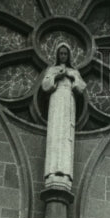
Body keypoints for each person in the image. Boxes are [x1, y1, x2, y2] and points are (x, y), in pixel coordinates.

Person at [40, 42, 87, 188]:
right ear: (57, 55)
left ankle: (65, 172)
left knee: (66, 135)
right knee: (55, 133)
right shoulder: (52, 69)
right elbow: (45, 85)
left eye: (65, 54)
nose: (63, 56)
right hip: (56, 101)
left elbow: (81, 87)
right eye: (61, 53)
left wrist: (71, 77)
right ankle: (52, 171)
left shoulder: (74, 72)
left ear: (69, 56)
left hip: (68, 102)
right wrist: (56, 77)